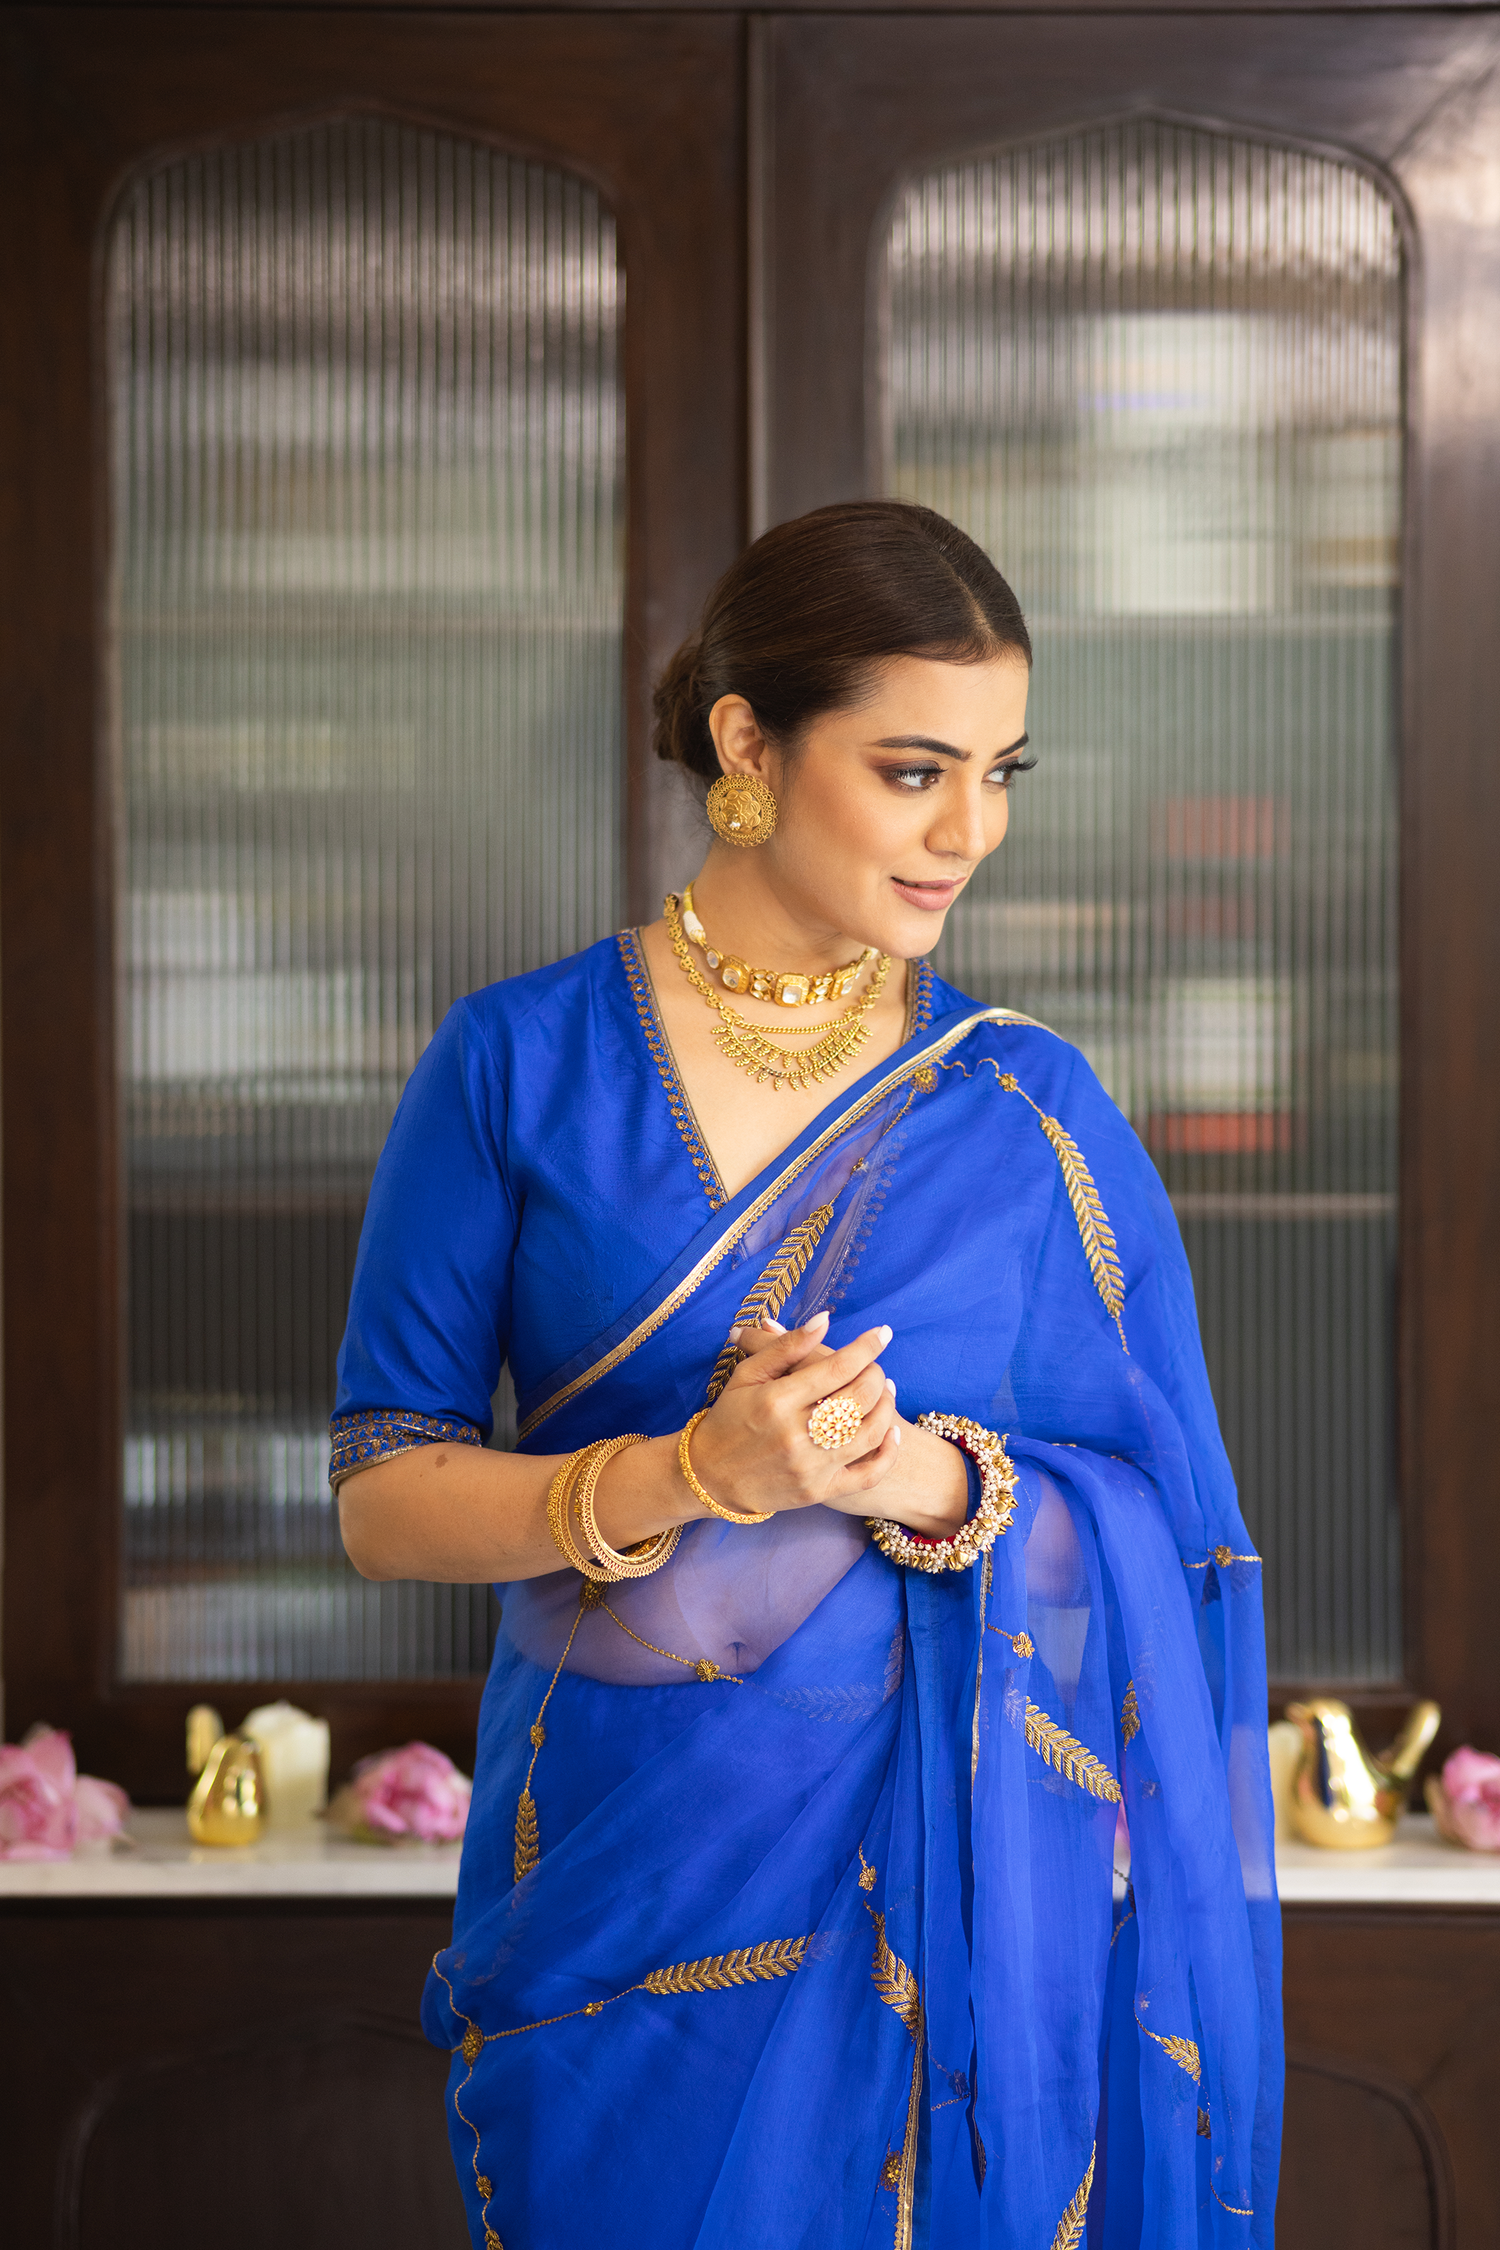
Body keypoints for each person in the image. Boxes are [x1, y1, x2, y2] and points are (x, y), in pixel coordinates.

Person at [331, 501, 1282, 2249]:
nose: (969, 831)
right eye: (915, 770)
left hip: (948, 1915)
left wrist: (916, 1475)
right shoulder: (519, 1063)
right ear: (750, 747)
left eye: (1001, 772)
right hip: (616, 1878)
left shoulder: (1028, 1109)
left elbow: (1161, 1532)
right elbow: (386, 1497)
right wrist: (700, 1472)